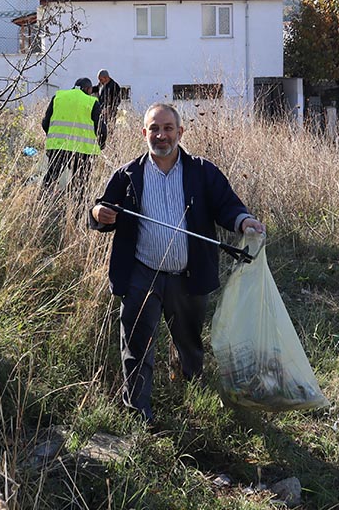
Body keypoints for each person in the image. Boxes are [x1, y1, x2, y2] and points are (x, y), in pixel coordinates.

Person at [89, 102, 265, 424]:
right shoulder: (128, 174)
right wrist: (98, 214)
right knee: (137, 345)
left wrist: (243, 221)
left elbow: (227, 205)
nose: (161, 135)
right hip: (143, 274)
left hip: (188, 276)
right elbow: (101, 210)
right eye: (154, 129)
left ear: (180, 132)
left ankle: (195, 399)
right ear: (144, 133)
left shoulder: (202, 171)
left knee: (190, 345)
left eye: (168, 128)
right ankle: (139, 413)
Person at [41, 77, 102, 198]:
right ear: (87, 89)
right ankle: (77, 206)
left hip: (58, 145)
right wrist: (101, 144)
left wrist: (52, 137)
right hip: (82, 150)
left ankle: (42, 200)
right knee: (81, 181)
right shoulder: (92, 102)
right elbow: (100, 128)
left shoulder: (58, 97)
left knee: (51, 175)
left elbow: (45, 122)